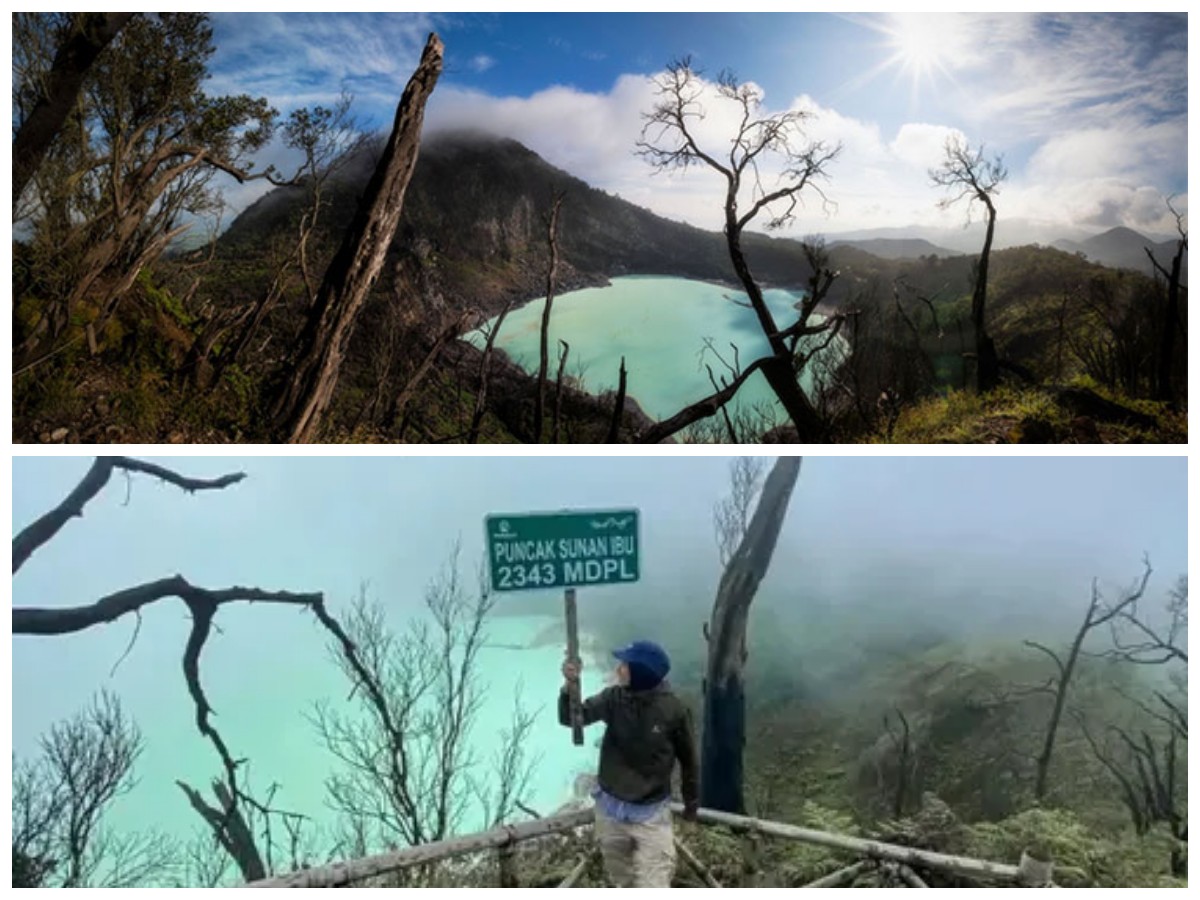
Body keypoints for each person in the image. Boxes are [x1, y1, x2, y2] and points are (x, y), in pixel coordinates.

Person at [559, 639, 699, 888]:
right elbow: (573, 720)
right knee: (621, 882)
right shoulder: (614, 698)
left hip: (651, 817)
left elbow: (689, 761)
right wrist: (569, 687)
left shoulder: (673, 710)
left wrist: (691, 807)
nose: (618, 669)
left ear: (641, 673)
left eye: (624, 665)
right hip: (610, 812)